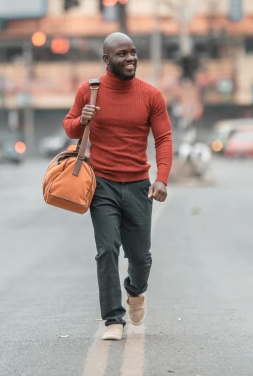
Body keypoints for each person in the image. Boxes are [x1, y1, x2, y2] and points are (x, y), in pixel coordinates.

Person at [63, 32, 173, 342]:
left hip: (138, 184)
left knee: (140, 257)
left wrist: (161, 178)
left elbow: (163, 139)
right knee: (106, 250)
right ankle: (113, 319)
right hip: (102, 185)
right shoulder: (90, 90)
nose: (130, 59)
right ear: (106, 59)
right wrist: (81, 120)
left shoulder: (151, 95)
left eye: (133, 52)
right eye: (122, 54)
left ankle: (135, 291)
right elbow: (69, 125)